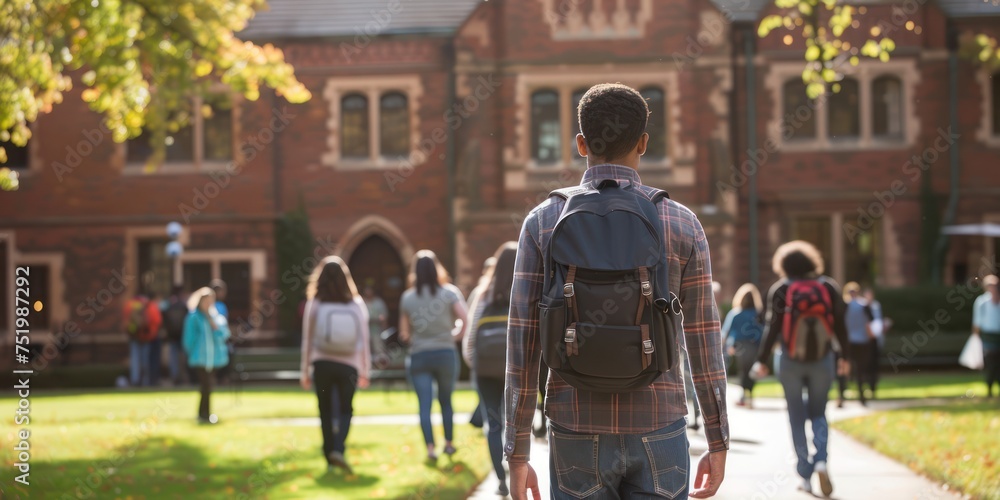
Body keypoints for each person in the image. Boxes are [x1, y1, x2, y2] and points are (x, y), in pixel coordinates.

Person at [504, 83, 729, 500]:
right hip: (659, 422)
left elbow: (523, 342)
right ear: (643, 143)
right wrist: (717, 439)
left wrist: (516, 452)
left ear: (581, 143)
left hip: (576, 424)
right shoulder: (681, 223)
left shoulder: (543, 222)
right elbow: (704, 339)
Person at [754, 240, 848, 497]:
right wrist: (845, 356)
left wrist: (761, 360)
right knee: (819, 411)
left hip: (790, 361)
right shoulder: (828, 286)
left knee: (796, 415)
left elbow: (771, 328)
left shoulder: (781, 289)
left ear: (783, 264)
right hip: (823, 359)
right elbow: (840, 323)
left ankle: (805, 474)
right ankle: (821, 460)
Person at [300, 256, 371, 473]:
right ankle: (339, 449)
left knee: (325, 411)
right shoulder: (356, 304)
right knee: (346, 410)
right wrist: (365, 370)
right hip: (348, 365)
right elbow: (364, 340)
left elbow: (307, 339)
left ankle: (329, 458)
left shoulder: (316, 303)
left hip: (322, 365)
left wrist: (305, 370)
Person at [399, 250, 468, 461]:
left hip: (420, 356)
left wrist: (419, 337)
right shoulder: (449, 293)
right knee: (446, 401)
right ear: (437, 268)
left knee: (424, 405)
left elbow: (404, 333)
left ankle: (430, 449)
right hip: (445, 353)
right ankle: (448, 444)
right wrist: (454, 336)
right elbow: (466, 319)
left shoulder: (407, 297)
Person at [463, 243, 516, 497]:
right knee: (516, 425)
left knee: (494, 426)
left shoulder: (483, 294)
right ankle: (518, 474)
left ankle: (500, 479)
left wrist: (477, 365)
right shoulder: (525, 292)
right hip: (515, 371)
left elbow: (470, 339)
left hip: (486, 371)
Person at [182, 286, 231, 424]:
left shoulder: (217, 317)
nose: (208, 304)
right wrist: (192, 351)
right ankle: (204, 414)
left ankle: (204, 414)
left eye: (210, 300)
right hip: (200, 358)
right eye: (205, 301)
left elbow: (224, 335)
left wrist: (213, 325)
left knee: (208, 386)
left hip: (214, 359)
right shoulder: (193, 317)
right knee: (206, 385)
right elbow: (188, 338)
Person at [465, 257, 496, 430]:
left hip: (484, 359)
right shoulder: (515, 291)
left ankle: (478, 420)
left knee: (493, 418)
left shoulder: (481, 293)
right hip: (496, 359)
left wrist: (471, 358)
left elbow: (471, 327)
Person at [723, 283, 764, 408]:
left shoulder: (735, 313)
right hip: (754, 346)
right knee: (751, 371)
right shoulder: (758, 314)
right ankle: (749, 396)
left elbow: (726, 331)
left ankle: (744, 397)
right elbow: (763, 330)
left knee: (743, 371)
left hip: (739, 346)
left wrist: (726, 346)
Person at [842, 282, 875, 406]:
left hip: (848, 341)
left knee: (845, 368)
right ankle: (861, 396)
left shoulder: (844, 306)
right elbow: (871, 321)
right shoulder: (864, 305)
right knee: (861, 369)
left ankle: (842, 395)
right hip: (861, 341)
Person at [123, 291, 162, 387]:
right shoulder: (150, 305)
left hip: (134, 336)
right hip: (146, 337)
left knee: (135, 360)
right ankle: (146, 381)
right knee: (146, 360)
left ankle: (135, 380)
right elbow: (157, 321)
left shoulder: (130, 305)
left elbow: (125, 323)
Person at [973, 274, 1000, 397]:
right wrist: (976, 339)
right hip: (988, 337)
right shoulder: (982, 302)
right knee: (990, 363)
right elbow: (977, 322)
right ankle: (989, 389)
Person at [161, 286, 190, 385]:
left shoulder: (168, 306)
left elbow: (164, 320)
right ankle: (183, 378)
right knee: (183, 358)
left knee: (173, 358)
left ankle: (175, 377)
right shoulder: (184, 306)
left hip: (172, 336)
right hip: (182, 336)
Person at [209, 279, 233, 384]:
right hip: (214, 339)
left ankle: (220, 378)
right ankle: (218, 379)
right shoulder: (212, 306)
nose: (223, 293)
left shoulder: (222, 305)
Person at [863, 287, 885, 398]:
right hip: (865, 340)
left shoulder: (876, 306)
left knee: (874, 364)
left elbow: (878, 320)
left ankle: (873, 387)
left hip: (875, 339)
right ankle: (866, 386)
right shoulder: (861, 307)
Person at [362, 284, 391, 367]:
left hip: (377, 330)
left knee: (379, 347)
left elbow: (384, 317)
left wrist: (384, 328)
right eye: (366, 290)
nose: (368, 292)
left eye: (370, 290)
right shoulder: (362, 302)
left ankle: (380, 365)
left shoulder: (379, 302)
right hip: (365, 330)